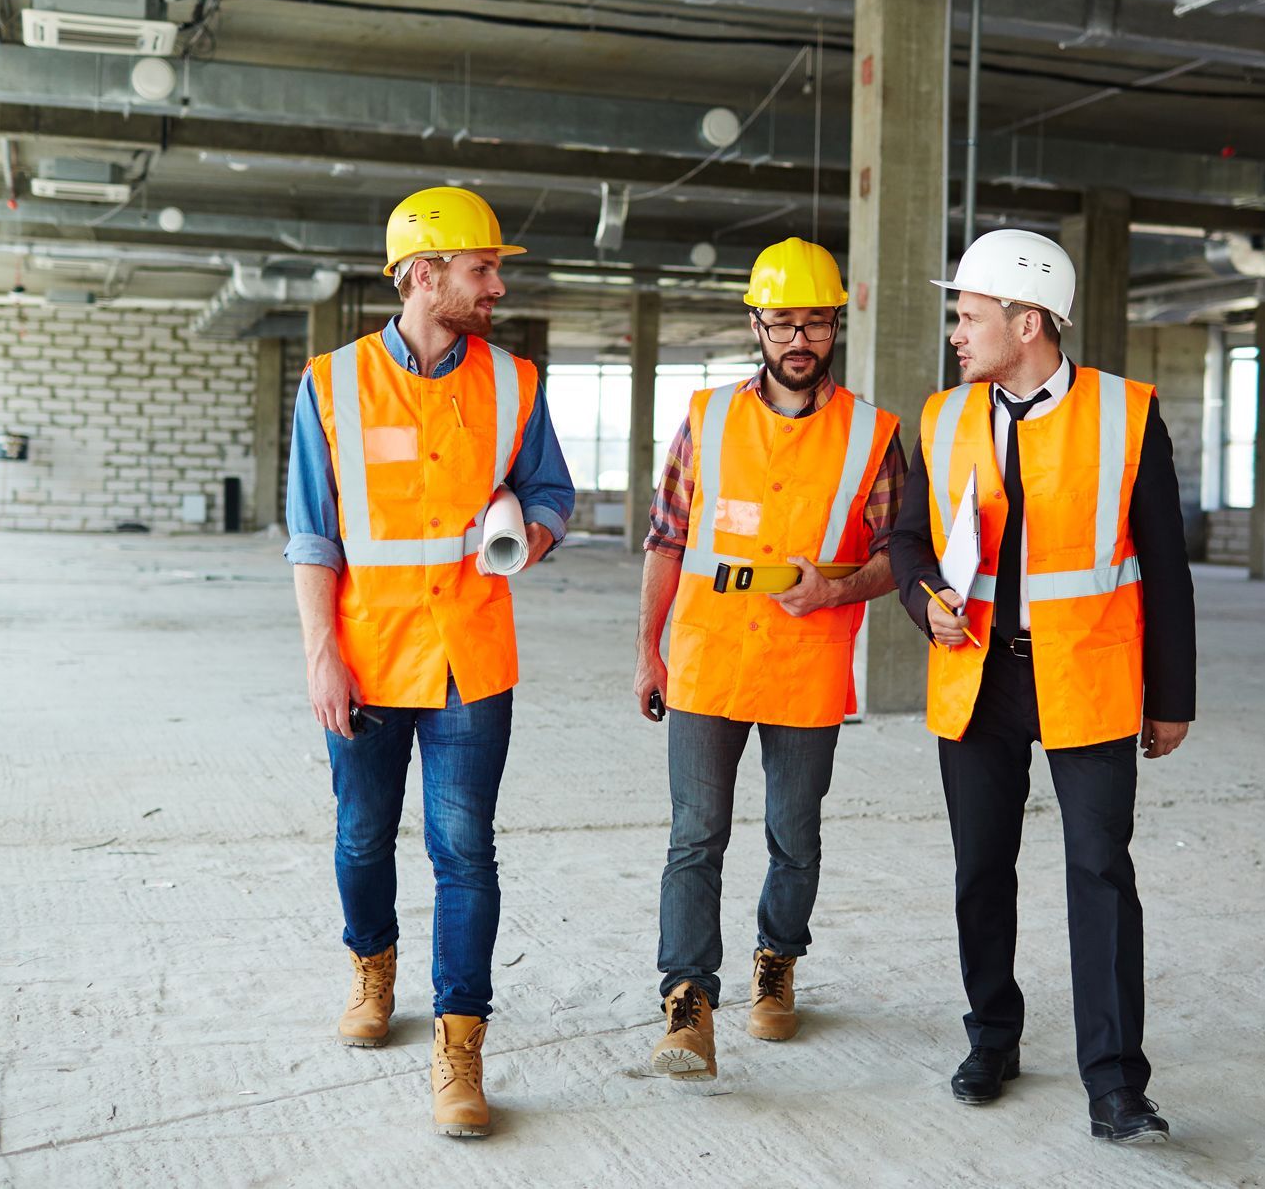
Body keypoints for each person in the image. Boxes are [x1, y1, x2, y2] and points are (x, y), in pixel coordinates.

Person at [886, 228, 1195, 1144]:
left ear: (1028, 323)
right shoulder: (943, 418)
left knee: (1100, 875)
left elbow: (1168, 568)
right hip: (976, 682)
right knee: (982, 871)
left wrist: (1171, 697)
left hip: (1089, 678)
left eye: (969, 315)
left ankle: (1115, 1085)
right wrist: (925, 597)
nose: (956, 331)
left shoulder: (1128, 414)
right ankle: (993, 1036)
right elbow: (909, 542)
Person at [284, 186, 575, 1138]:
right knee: (363, 840)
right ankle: (373, 968)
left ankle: (462, 1046)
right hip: (367, 660)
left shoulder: (516, 381)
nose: (496, 286)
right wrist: (322, 656)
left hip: (470, 662)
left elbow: (552, 491)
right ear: (424, 274)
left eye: (495, 270)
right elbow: (312, 536)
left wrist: (527, 535)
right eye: (482, 269)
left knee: (464, 854)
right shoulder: (331, 384)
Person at [634, 238, 906, 1080]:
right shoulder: (708, 419)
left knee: (794, 836)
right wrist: (648, 648)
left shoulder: (872, 434)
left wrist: (836, 591)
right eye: (782, 320)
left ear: (835, 327)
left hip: (807, 659)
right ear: (755, 323)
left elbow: (904, 554)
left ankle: (777, 963)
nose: (799, 339)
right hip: (709, 657)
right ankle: (688, 999)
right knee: (696, 835)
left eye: (816, 322)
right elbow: (667, 539)